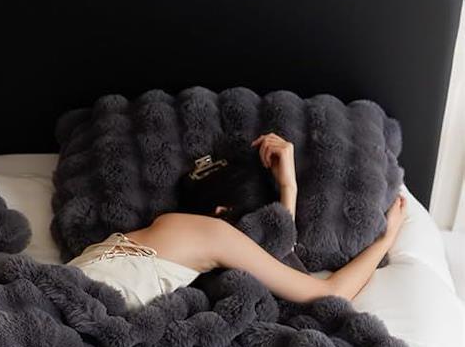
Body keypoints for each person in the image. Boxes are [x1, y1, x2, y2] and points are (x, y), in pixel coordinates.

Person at [68, 132, 407, 308]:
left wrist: (288, 189)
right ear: (223, 212)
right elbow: (327, 292)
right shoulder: (214, 233)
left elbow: (274, 249)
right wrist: (386, 240)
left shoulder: (165, 226)